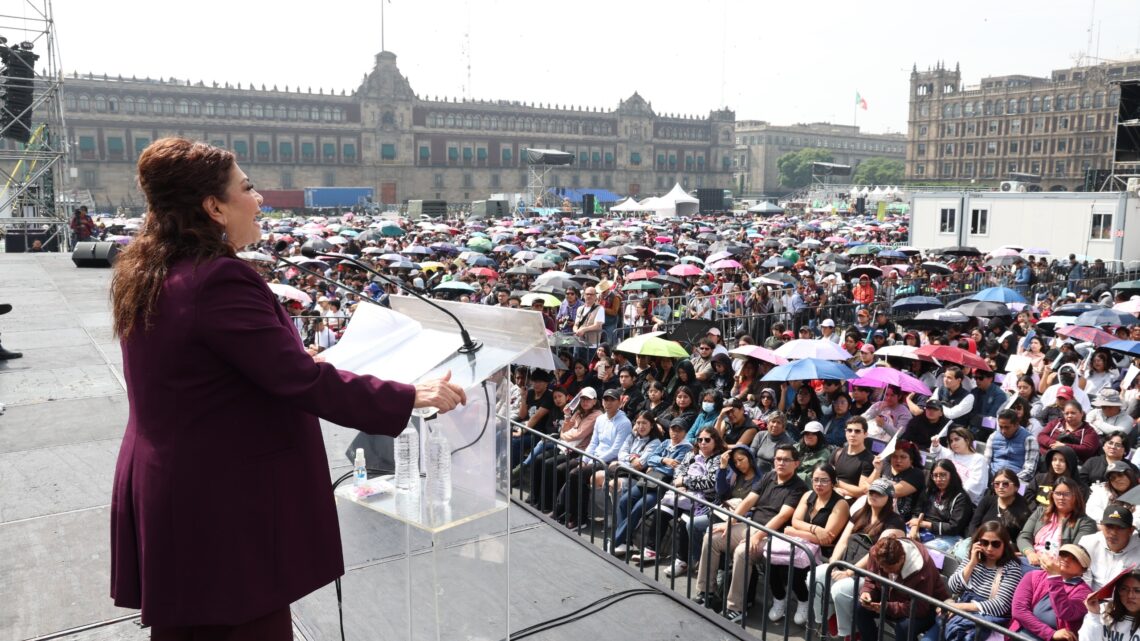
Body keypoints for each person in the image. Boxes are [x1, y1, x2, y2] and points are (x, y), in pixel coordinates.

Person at [107, 138, 466, 637]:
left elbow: (201, 371)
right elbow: (298, 381)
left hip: (177, 487)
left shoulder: (151, 270)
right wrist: (409, 396)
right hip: (222, 504)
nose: (260, 200)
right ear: (213, 207)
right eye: (247, 187)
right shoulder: (219, 280)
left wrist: (287, 358)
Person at [696, 444, 806, 623]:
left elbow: (782, 516)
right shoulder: (769, 476)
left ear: (796, 463)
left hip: (772, 535)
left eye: (786, 460)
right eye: (778, 459)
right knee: (712, 538)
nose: (781, 463)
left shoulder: (798, 487)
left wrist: (758, 536)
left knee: (742, 552)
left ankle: (735, 607)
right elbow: (748, 501)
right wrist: (729, 523)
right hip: (749, 525)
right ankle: (706, 592)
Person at [815, 479, 906, 640]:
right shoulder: (860, 514)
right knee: (816, 576)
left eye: (879, 493)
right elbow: (843, 541)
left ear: (890, 498)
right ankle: (828, 617)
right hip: (845, 564)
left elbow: (875, 552)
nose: (874, 496)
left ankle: (850, 632)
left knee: (840, 590)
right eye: (872, 492)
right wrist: (833, 564)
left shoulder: (895, 522)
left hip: (871, 577)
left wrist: (850, 572)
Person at [767, 462, 849, 626]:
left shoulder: (840, 504)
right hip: (799, 543)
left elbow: (827, 538)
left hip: (821, 551)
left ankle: (803, 600)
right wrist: (815, 529)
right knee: (774, 562)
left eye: (824, 480)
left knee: (790, 569)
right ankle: (779, 599)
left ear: (833, 482)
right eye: (816, 479)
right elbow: (795, 520)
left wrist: (793, 531)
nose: (819, 484)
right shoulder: (808, 495)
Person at [924, 521, 1024, 641]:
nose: (989, 548)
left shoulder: (1011, 568)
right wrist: (971, 564)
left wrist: (959, 607)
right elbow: (953, 587)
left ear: (1004, 545)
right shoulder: (973, 557)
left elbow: (1000, 606)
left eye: (996, 544)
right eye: (984, 543)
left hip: (982, 621)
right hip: (958, 613)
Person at [855, 536, 949, 641]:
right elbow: (871, 578)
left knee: (904, 628)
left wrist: (888, 607)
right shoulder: (876, 554)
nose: (885, 570)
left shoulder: (922, 569)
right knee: (860, 608)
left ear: (901, 559)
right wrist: (867, 592)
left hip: (925, 608)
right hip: (891, 601)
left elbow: (920, 608)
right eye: (882, 567)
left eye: (890, 568)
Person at [1009, 543, 1093, 641]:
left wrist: (1054, 577)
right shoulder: (1032, 576)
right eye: (1063, 554)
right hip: (1023, 633)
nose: (1066, 559)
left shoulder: (1085, 593)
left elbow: (1065, 613)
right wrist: (1050, 633)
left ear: (1082, 570)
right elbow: (1018, 610)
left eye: (1074, 559)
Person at [1017, 477, 1098, 572]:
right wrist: (1030, 553)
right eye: (1058, 494)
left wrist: (1048, 561)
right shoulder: (1040, 512)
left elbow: (1076, 552)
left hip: (1058, 568)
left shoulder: (1086, 523)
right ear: (1052, 495)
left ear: (1075, 496)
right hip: (1032, 561)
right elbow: (1024, 536)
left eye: (1066, 494)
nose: (1061, 498)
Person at [959, 469, 1032, 561]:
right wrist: (979, 542)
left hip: (1003, 551)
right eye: (996, 484)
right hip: (980, 543)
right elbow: (973, 525)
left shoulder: (1023, 510)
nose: (1000, 487)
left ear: (1016, 487)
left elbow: (1022, 538)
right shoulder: (987, 500)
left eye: (1005, 484)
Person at [908, 459, 974, 553]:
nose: (938, 479)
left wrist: (925, 524)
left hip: (948, 536)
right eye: (935, 475)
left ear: (951, 475)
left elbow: (954, 527)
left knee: (924, 552)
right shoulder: (929, 490)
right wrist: (914, 530)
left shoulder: (960, 497)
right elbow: (917, 512)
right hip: (922, 529)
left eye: (943, 475)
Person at [1078, 503, 1140, 593]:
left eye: (1120, 528)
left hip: (1124, 602)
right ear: (1101, 526)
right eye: (1109, 526)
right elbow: (1082, 579)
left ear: (1131, 530)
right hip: (1090, 599)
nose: (1113, 533)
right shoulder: (1088, 543)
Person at [929, 426, 989, 504]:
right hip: (944, 497)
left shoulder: (978, 459)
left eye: (956, 439)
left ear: (967, 440)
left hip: (965, 502)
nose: (953, 443)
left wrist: (954, 496)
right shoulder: (950, 454)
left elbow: (975, 485)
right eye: (951, 441)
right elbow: (937, 452)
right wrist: (935, 444)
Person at [1077, 568, 1140, 640]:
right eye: (1124, 589)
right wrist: (1093, 615)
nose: (1130, 595)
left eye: (1137, 591)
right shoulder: (1104, 613)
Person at [869, 440, 925, 520]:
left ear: (911, 459)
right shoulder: (884, 466)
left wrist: (872, 487)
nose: (898, 460)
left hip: (900, 519)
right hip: (878, 512)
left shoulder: (917, 474)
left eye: (903, 457)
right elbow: (866, 487)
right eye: (894, 456)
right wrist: (877, 470)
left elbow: (894, 492)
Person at [985, 408, 1040, 484]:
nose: (1003, 431)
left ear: (1016, 425)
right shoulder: (993, 437)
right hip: (992, 477)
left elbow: (1029, 470)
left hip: (1016, 481)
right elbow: (986, 462)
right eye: (1001, 427)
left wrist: (1009, 481)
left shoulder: (1029, 440)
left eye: (1007, 427)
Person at [830, 416, 875, 501]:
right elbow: (826, 478)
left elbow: (862, 492)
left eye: (857, 431)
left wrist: (837, 483)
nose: (852, 434)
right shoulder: (837, 452)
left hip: (850, 503)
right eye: (849, 430)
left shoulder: (869, 460)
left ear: (865, 434)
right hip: (830, 496)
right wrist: (835, 489)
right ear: (845, 432)